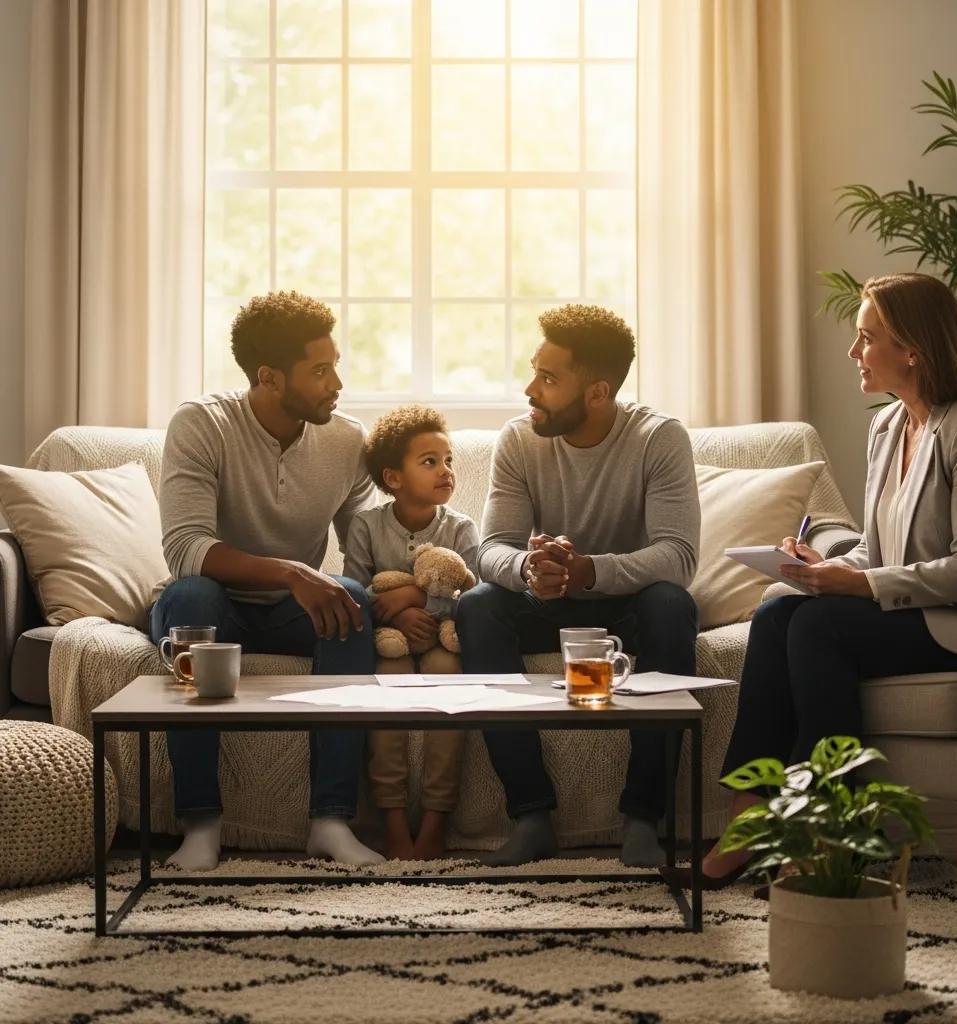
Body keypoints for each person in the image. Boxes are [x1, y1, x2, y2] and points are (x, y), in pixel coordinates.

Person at [699, 272, 957, 888]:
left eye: (866, 338)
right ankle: (747, 817)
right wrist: (823, 568)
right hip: (908, 612)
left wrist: (862, 587)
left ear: (913, 348)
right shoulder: (887, 427)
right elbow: (877, 550)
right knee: (775, 613)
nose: (854, 353)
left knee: (820, 627)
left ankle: (820, 824)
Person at [456, 304, 701, 867]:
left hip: (628, 599)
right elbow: (492, 547)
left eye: (548, 378)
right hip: (549, 597)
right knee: (478, 607)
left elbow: (678, 556)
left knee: (672, 604)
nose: (530, 389)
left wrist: (591, 571)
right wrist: (530, 571)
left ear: (597, 391)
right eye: (534, 371)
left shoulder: (658, 438)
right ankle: (531, 814)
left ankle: (644, 818)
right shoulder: (519, 440)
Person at [151, 291, 384, 871]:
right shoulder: (201, 424)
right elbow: (185, 548)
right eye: (321, 370)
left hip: (290, 611)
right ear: (269, 377)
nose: (337, 383)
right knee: (191, 598)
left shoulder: (345, 440)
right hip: (215, 602)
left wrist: (399, 588)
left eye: (336, 365)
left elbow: (363, 549)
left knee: (352, 599)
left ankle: (330, 821)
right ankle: (201, 826)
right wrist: (291, 570)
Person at [344, 405, 480, 860]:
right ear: (394, 478)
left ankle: (438, 819)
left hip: (445, 639)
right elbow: (357, 593)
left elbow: (474, 596)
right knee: (388, 684)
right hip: (391, 641)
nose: (445, 471)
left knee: (448, 678)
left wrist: (419, 600)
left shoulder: (461, 529)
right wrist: (396, 614)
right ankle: (394, 820)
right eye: (429, 462)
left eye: (448, 460)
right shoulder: (366, 525)